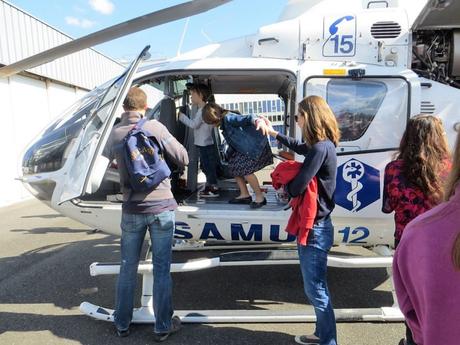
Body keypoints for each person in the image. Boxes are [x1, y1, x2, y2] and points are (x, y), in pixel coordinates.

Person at [104, 87, 189, 342]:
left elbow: (104, 165)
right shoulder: (155, 127)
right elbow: (183, 157)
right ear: (145, 106)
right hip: (161, 206)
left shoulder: (115, 134)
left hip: (131, 209)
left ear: (124, 108)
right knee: (161, 268)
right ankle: (163, 326)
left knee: (127, 266)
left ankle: (122, 323)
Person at [257, 95, 340, 345]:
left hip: (315, 227)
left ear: (309, 117)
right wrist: (274, 133)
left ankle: (328, 340)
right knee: (316, 286)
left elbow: (299, 184)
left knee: (315, 288)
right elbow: (299, 146)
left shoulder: (319, 148)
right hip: (320, 225)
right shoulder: (324, 145)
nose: (298, 121)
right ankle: (321, 333)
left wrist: (283, 184)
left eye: (299, 117)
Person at [382, 115, 451, 345]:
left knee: (411, 303)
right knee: (439, 305)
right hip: (443, 246)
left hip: (407, 247)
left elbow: (387, 207)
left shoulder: (393, 169)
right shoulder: (449, 168)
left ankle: (411, 340)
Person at [202, 102, 273, 208]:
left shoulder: (228, 118)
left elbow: (247, 118)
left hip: (255, 146)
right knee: (234, 166)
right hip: (247, 148)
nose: (212, 125)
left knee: (246, 170)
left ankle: (260, 197)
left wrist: (257, 120)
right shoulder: (224, 124)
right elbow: (234, 141)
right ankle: (245, 194)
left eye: (210, 122)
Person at [178, 84, 219, 197]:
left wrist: (181, 116)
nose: (191, 97)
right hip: (206, 142)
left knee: (207, 167)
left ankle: (213, 188)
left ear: (200, 95)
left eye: (192, 95)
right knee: (206, 166)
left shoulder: (202, 111)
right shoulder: (207, 109)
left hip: (204, 144)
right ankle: (210, 186)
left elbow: (194, 125)